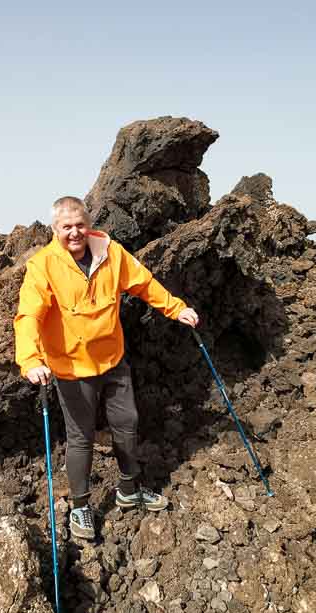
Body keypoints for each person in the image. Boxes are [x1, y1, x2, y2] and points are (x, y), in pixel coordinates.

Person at [13, 196, 199, 540]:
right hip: (71, 366)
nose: (74, 233)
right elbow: (29, 315)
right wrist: (31, 359)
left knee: (127, 422)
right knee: (80, 437)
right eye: (66, 227)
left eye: (79, 225)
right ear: (55, 229)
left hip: (113, 359)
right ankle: (82, 506)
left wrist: (176, 309)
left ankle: (129, 488)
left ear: (89, 223)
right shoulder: (43, 265)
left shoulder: (111, 253)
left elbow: (144, 283)